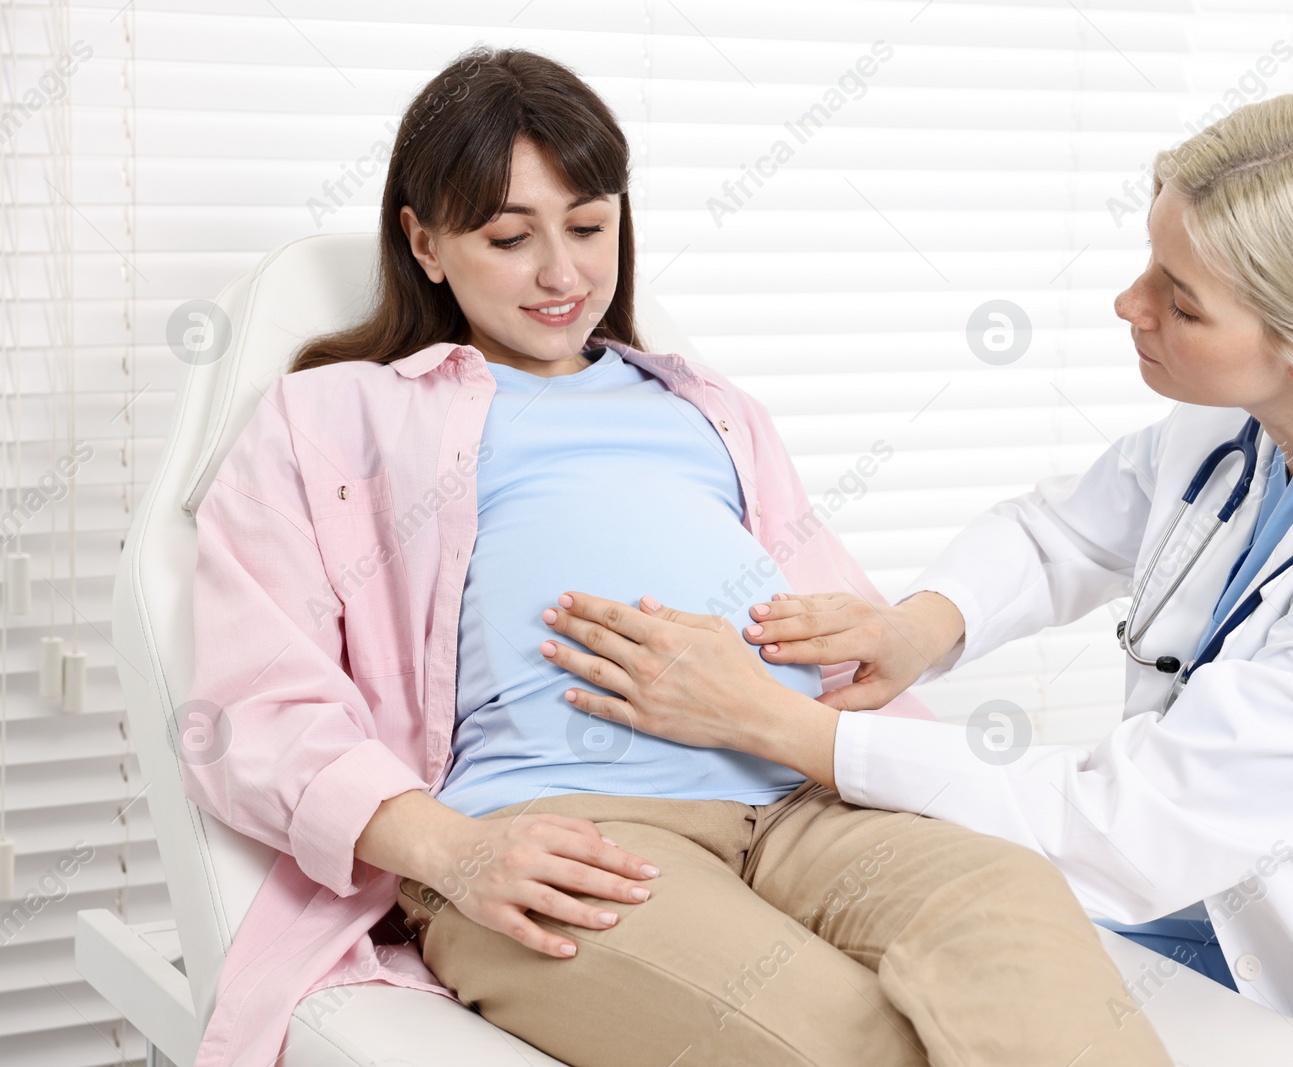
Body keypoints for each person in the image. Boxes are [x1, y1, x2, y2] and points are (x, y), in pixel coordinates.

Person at [542, 89, 1293, 1066]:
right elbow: (1068, 531)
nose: (1126, 303)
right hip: (1209, 878)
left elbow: (1129, 828)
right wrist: (919, 625)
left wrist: (778, 728)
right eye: (1149, 262)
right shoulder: (1266, 413)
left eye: (1179, 303)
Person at [182, 46, 1174, 1067]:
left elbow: (840, 632)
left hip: (806, 801)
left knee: (1011, 912)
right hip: (566, 833)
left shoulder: (708, 407)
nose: (562, 273)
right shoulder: (335, 418)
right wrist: (454, 851)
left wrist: (869, 636)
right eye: (509, 236)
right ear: (425, 242)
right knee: (854, 1041)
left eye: (588, 225)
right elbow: (252, 712)